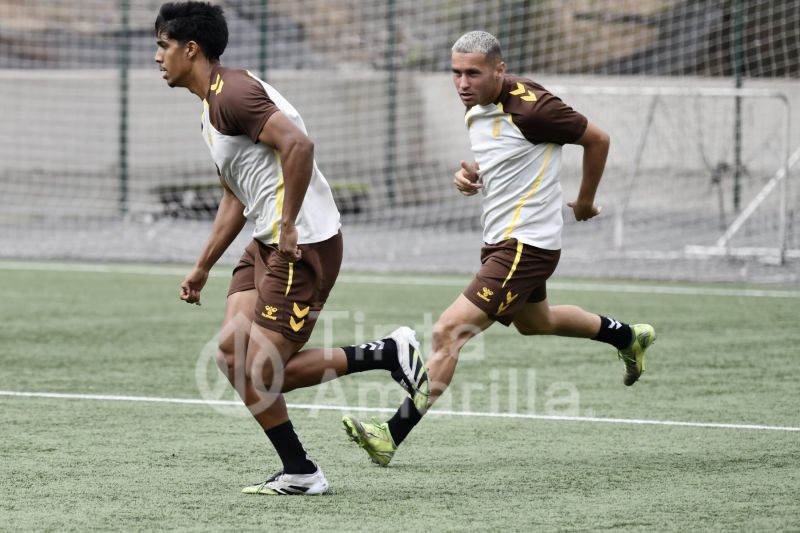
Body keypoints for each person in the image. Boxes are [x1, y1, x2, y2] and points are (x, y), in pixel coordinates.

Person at [342, 31, 656, 467]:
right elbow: (506, 153)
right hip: (501, 241)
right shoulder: (476, 105)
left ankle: (390, 435)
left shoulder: (534, 108)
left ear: (499, 70)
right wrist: (470, 174)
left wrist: (585, 202)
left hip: (526, 245)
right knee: (537, 321)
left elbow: (598, 139)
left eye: (473, 73)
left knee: (448, 332)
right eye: (456, 73)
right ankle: (627, 336)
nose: (462, 83)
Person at [154, 1, 428, 495]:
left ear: (190, 49)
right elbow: (235, 197)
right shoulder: (211, 107)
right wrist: (202, 266)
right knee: (231, 357)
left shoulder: (233, 94)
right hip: (267, 243)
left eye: (163, 45)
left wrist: (286, 225)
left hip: (302, 246)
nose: (157, 56)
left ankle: (388, 353)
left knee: (263, 371)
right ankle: (300, 470)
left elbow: (299, 145)